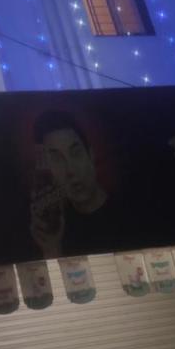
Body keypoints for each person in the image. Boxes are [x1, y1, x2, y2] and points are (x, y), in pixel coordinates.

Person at [29, 110, 127, 259]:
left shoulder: (130, 213)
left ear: (90, 155)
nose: (70, 170)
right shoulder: (57, 228)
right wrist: (52, 248)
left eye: (75, 153)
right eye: (57, 159)